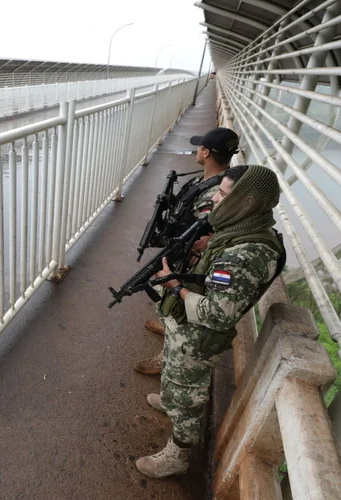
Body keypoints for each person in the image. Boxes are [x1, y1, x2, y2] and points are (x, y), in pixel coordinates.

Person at [135, 164, 285, 478]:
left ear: (245, 202)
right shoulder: (242, 229)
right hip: (188, 329)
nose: (214, 198)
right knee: (174, 377)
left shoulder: (246, 254)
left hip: (199, 338)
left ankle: (178, 454)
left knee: (187, 394)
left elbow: (217, 314)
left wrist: (174, 285)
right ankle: (169, 400)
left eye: (222, 193)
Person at [134, 127, 240, 376]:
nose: (196, 150)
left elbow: (204, 237)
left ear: (206, 152)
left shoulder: (216, 193)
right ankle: (164, 320)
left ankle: (166, 358)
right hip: (180, 251)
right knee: (165, 296)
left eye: (199, 146)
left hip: (190, 261)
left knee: (177, 307)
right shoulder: (206, 180)